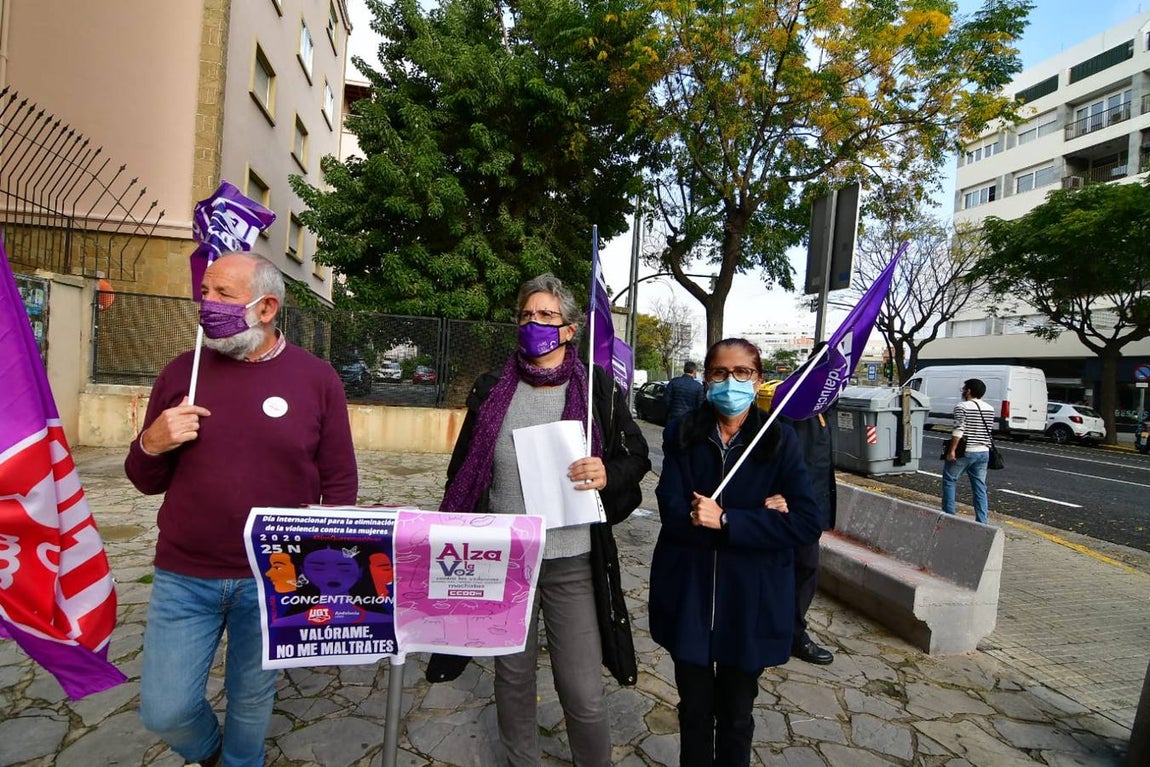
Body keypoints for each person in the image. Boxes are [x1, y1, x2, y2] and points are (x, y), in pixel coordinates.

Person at [125, 252, 358, 767]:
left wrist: (326, 562)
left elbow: (340, 479)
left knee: (252, 698)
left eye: (223, 295)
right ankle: (209, 751)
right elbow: (143, 480)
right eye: (205, 293)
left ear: (266, 308)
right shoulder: (182, 372)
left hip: (275, 573)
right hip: (186, 575)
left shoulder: (316, 379)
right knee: (165, 710)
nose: (207, 304)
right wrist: (152, 442)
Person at [438, 273, 650, 766]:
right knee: (512, 678)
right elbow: (463, 466)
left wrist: (607, 472)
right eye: (527, 315)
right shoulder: (493, 388)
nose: (534, 323)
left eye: (547, 315)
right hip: (504, 558)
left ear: (570, 329)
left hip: (571, 559)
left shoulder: (596, 389)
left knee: (582, 689)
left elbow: (637, 455)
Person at [649, 338, 823, 767]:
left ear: (758, 379)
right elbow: (673, 509)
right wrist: (762, 519)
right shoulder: (682, 434)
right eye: (720, 372)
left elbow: (806, 522)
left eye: (742, 372)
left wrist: (728, 520)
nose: (732, 381)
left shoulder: (779, 439)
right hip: (690, 594)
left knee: (736, 715)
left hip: (750, 602)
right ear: (707, 379)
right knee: (694, 711)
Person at [942, 377, 995, 524]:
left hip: (966, 451)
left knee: (950, 480)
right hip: (984, 451)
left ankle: (949, 517)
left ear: (969, 391)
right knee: (980, 487)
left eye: (964, 388)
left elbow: (959, 430)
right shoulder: (990, 408)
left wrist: (952, 450)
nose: (963, 391)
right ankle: (982, 522)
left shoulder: (962, 406)